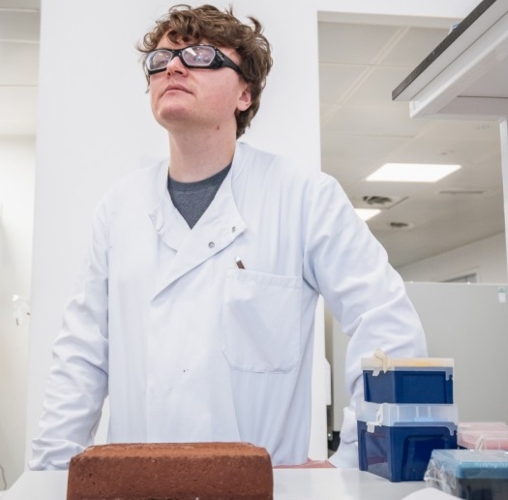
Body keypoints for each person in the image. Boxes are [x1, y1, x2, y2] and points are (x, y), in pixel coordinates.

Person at [29, 4, 426, 470]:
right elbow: (81, 355)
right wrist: (48, 481)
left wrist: (358, 464)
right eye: (159, 61)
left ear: (244, 93)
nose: (172, 66)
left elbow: (387, 327)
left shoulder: (303, 196)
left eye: (199, 56)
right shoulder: (120, 208)